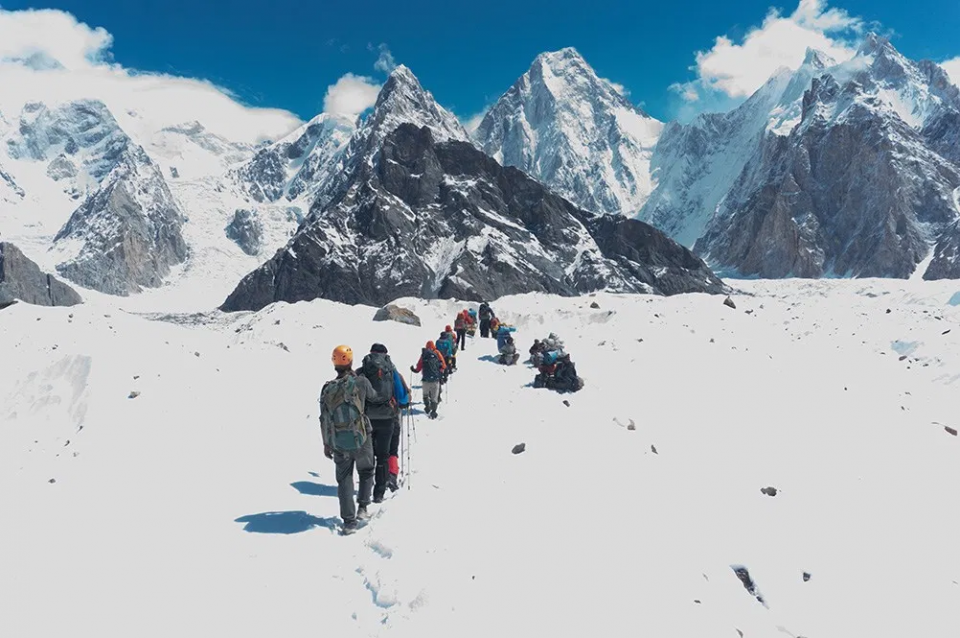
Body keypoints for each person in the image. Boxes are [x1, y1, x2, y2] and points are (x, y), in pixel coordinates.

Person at [319, 345, 378, 535]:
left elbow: (324, 418)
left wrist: (326, 443)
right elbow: (374, 397)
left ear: (334, 362)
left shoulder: (327, 388)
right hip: (362, 436)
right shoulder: (360, 381)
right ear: (351, 361)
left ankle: (349, 522)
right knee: (367, 470)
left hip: (338, 441)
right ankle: (362, 507)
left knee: (344, 479)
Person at [357, 343, 400, 503]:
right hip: (387, 418)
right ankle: (379, 493)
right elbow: (402, 395)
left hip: (366, 419)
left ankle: (365, 494)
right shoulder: (391, 370)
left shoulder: (362, 371)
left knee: (368, 458)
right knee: (383, 456)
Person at [388, 358, 411, 492]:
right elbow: (402, 399)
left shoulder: (363, 372)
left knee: (375, 449)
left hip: (368, 419)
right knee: (392, 448)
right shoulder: (393, 372)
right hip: (391, 416)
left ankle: (377, 478)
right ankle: (391, 474)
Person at [411, 341, 445, 419]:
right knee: (434, 396)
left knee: (425, 394)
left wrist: (415, 370)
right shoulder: (437, 352)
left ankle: (427, 407)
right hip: (435, 379)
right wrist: (441, 372)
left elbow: (419, 366)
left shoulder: (424, 354)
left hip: (425, 379)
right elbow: (443, 365)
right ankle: (433, 411)